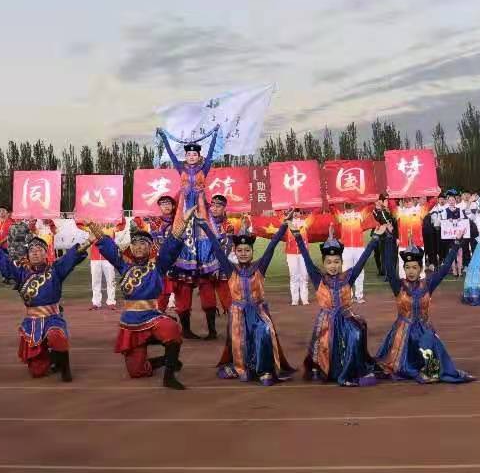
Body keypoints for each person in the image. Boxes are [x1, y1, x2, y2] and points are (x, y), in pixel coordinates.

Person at [86, 220, 186, 389]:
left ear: (150, 247)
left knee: (171, 329)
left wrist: (183, 223)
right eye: (135, 244)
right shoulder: (124, 266)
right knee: (137, 372)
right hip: (130, 321)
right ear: (131, 248)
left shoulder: (158, 266)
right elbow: (109, 249)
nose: (138, 247)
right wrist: (93, 226)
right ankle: (167, 360)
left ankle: (169, 378)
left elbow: (170, 249)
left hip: (152, 317)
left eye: (143, 244)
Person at [291, 223, 389, 386]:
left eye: (337, 262)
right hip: (326, 322)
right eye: (329, 262)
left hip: (346, 319)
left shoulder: (348, 277)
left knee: (356, 334)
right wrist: (297, 236)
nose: (333, 266)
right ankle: (328, 369)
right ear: (324, 264)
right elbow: (307, 259)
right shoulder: (319, 279)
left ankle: (349, 372)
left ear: (342, 262)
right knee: (327, 345)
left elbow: (362, 260)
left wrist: (375, 238)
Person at [201, 215, 295, 386]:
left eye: (247, 250)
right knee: (242, 341)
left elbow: (272, 246)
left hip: (258, 312)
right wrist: (204, 225)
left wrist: (283, 226)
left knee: (263, 333)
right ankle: (243, 367)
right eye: (240, 251)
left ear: (252, 252)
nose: (243, 253)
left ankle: (265, 370)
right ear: (235, 252)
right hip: (238, 313)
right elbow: (216, 247)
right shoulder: (230, 269)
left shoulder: (260, 267)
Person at [0, 232, 90, 381]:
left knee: (56, 336)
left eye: (39, 250)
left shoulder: (55, 270)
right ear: (28, 255)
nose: (35, 253)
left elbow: (71, 257)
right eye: (31, 251)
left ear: (46, 253)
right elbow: (3, 262)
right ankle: (52, 357)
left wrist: (90, 241)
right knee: (37, 371)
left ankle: (65, 368)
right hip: (32, 322)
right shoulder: (21, 273)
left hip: (53, 318)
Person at [378, 239, 473, 383]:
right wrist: (388, 240)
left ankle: (429, 368)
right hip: (403, 334)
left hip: (424, 330)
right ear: (403, 269)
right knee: (400, 367)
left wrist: (456, 244)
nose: (411, 271)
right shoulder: (399, 286)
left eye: (414, 267)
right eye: (407, 267)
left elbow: (444, 268)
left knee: (430, 342)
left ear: (421, 269)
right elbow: (389, 268)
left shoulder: (428, 285)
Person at [157, 129, 223, 340]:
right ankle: (185, 328)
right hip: (185, 210)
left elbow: (211, 153)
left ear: (199, 156)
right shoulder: (180, 168)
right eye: (189, 154)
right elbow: (171, 154)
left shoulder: (205, 167)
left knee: (206, 242)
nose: (192, 156)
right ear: (185, 156)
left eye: (195, 154)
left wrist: (215, 135)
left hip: (201, 208)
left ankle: (212, 329)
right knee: (181, 245)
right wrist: (165, 138)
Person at [333, 202, 376, 303]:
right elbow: (332, 208)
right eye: (347, 203)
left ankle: (359, 296)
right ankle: (348, 296)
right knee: (346, 273)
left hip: (359, 248)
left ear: (354, 204)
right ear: (344, 204)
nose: (349, 205)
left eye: (351, 203)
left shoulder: (359, 215)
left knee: (359, 271)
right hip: (347, 248)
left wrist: (373, 200)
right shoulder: (341, 216)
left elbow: (370, 207)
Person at [86, 218, 119, 311]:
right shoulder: (92, 226)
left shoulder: (112, 226)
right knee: (95, 281)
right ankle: (96, 302)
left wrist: (119, 215)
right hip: (95, 258)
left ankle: (111, 302)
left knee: (111, 280)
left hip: (108, 257)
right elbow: (79, 224)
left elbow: (122, 225)